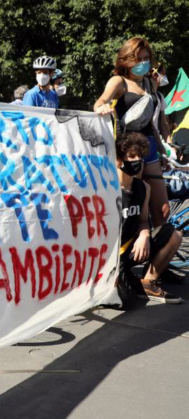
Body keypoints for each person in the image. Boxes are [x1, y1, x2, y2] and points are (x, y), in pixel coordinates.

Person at [94, 37, 169, 228]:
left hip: (150, 148)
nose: (143, 63)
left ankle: (157, 245)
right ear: (127, 60)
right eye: (138, 59)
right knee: (133, 210)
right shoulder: (118, 81)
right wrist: (102, 107)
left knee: (163, 212)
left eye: (146, 58)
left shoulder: (150, 83)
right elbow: (100, 101)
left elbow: (151, 122)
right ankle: (136, 244)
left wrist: (163, 150)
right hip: (129, 150)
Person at [116, 131, 182, 304]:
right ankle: (124, 278)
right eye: (131, 156)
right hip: (112, 256)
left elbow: (144, 221)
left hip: (132, 249)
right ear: (119, 160)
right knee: (125, 301)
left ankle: (147, 282)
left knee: (174, 234)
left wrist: (144, 235)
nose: (137, 161)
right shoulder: (108, 190)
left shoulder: (144, 188)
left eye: (140, 157)